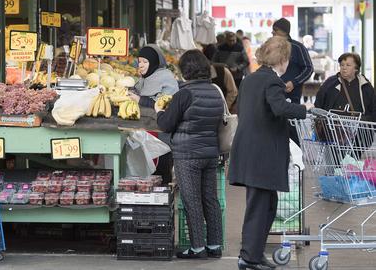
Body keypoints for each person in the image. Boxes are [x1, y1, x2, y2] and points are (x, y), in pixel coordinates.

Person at [228, 37, 307, 270]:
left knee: (266, 204)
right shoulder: (272, 82)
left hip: (250, 151)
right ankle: (249, 258)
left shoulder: (251, 79)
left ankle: (254, 253)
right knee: (261, 207)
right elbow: (280, 107)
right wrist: (305, 110)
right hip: (262, 154)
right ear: (283, 59)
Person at [155, 50, 225, 260]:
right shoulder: (215, 90)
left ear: (186, 70)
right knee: (211, 200)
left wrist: (159, 110)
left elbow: (166, 125)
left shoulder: (184, 94)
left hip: (187, 155)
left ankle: (197, 248)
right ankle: (214, 245)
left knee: (191, 200)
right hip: (210, 153)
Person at [128, 44, 179, 184]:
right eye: (140, 61)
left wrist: (141, 100)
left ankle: (163, 199)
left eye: (145, 62)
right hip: (146, 131)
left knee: (161, 171)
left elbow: (167, 103)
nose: (141, 65)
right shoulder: (145, 78)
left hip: (161, 133)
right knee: (146, 172)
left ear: (154, 63)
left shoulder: (166, 77)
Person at [315, 53, 376, 121]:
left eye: (348, 65)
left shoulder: (365, 85)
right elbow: (318, 104)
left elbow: (373, 109)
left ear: (356, 68)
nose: (344, 68)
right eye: (342, 65)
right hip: (332, 127)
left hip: (359, 127)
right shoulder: (330, 83)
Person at [271, 18, 314, 103]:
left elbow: (309, 69)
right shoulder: (271, 47)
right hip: (272, 94)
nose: (272, 32)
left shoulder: (298, 47)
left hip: (292, 96)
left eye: (275, 30)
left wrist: (294, 82)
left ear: (284, 32)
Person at [203, 44, 238, 109]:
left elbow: (233, 91)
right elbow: (233, 91)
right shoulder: (223, 70)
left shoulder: (222, 70)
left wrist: (225, 107)